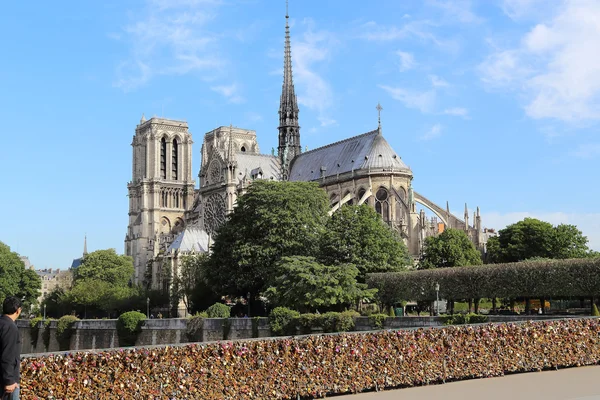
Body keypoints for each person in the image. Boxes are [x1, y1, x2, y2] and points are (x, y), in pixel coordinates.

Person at [0, 296, 22, 399]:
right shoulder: (10, 327)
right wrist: (9, 380)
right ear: (18, 310)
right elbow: (7, 355)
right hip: (8, 381)